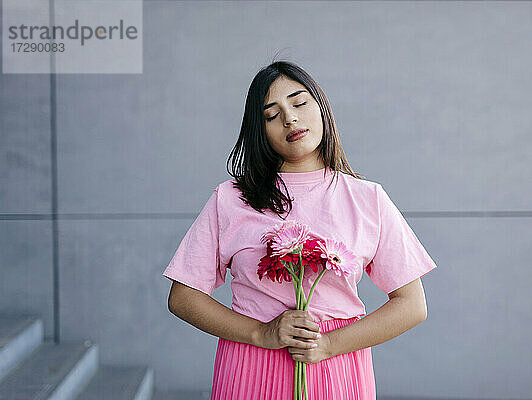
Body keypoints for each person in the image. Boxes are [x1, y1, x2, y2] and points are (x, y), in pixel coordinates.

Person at [162, 60, 438, 400]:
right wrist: (261, 333)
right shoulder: (231, 199)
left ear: (320, 106)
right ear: (259, 131)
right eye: (271, 115)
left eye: (299, 102)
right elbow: (183, 297)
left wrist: (329, 345)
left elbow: (412, 305)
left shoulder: (368, 199)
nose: (290, 118)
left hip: (336, 367)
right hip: (250, 365)